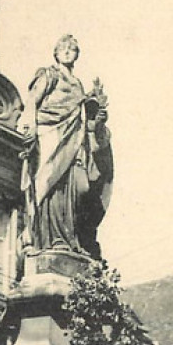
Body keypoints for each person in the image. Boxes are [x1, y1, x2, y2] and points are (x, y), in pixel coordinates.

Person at [21, 34, 113, 258]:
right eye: (63, 49)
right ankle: (51, 240)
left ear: (76, 55)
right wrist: (29, 127)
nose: (67, 52)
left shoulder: (78, 84)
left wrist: (98, 117)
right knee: (50, 185)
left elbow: (83, 119)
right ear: (56, 52)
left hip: (73, 138)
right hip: (51, 135)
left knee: (77, 188)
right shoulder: (48, 75)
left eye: (72, 49)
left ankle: (68, 238)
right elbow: (33, 100)